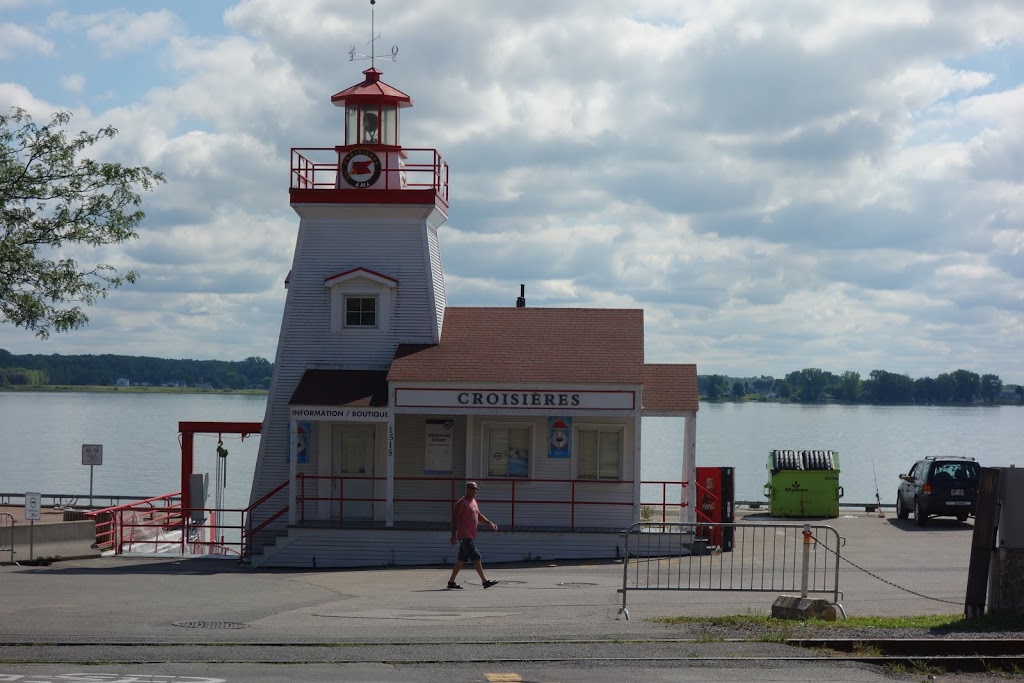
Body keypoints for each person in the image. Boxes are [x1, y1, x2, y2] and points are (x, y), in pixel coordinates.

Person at [447, 481, 499, 589]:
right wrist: (453, 535)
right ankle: (485, 581)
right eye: (472, 488)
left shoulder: (474, 502)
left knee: (461, 560)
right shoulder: (461, 503)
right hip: (464, 536)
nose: (475, 491)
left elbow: (478, 515)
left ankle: (451, 582)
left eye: (476, 489)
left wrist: (489, 523)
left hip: (470, 535)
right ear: (467, 489)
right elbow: (455, 519)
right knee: (476, 556)